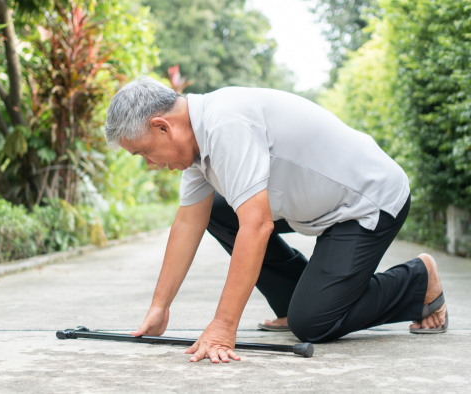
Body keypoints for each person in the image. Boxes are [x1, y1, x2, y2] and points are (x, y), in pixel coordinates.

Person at [103, 77, 448, 364]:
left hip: (368, 203)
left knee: (312, 323)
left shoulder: (226, 123)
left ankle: (417, 280)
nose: (150, 163)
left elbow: (257, 225)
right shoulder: (198, 143)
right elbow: (188, 223)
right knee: (217, 211)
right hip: (321, 206)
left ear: (162, 127)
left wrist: (224, 326)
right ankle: (291, 298)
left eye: (144, 152)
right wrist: (159, 306)